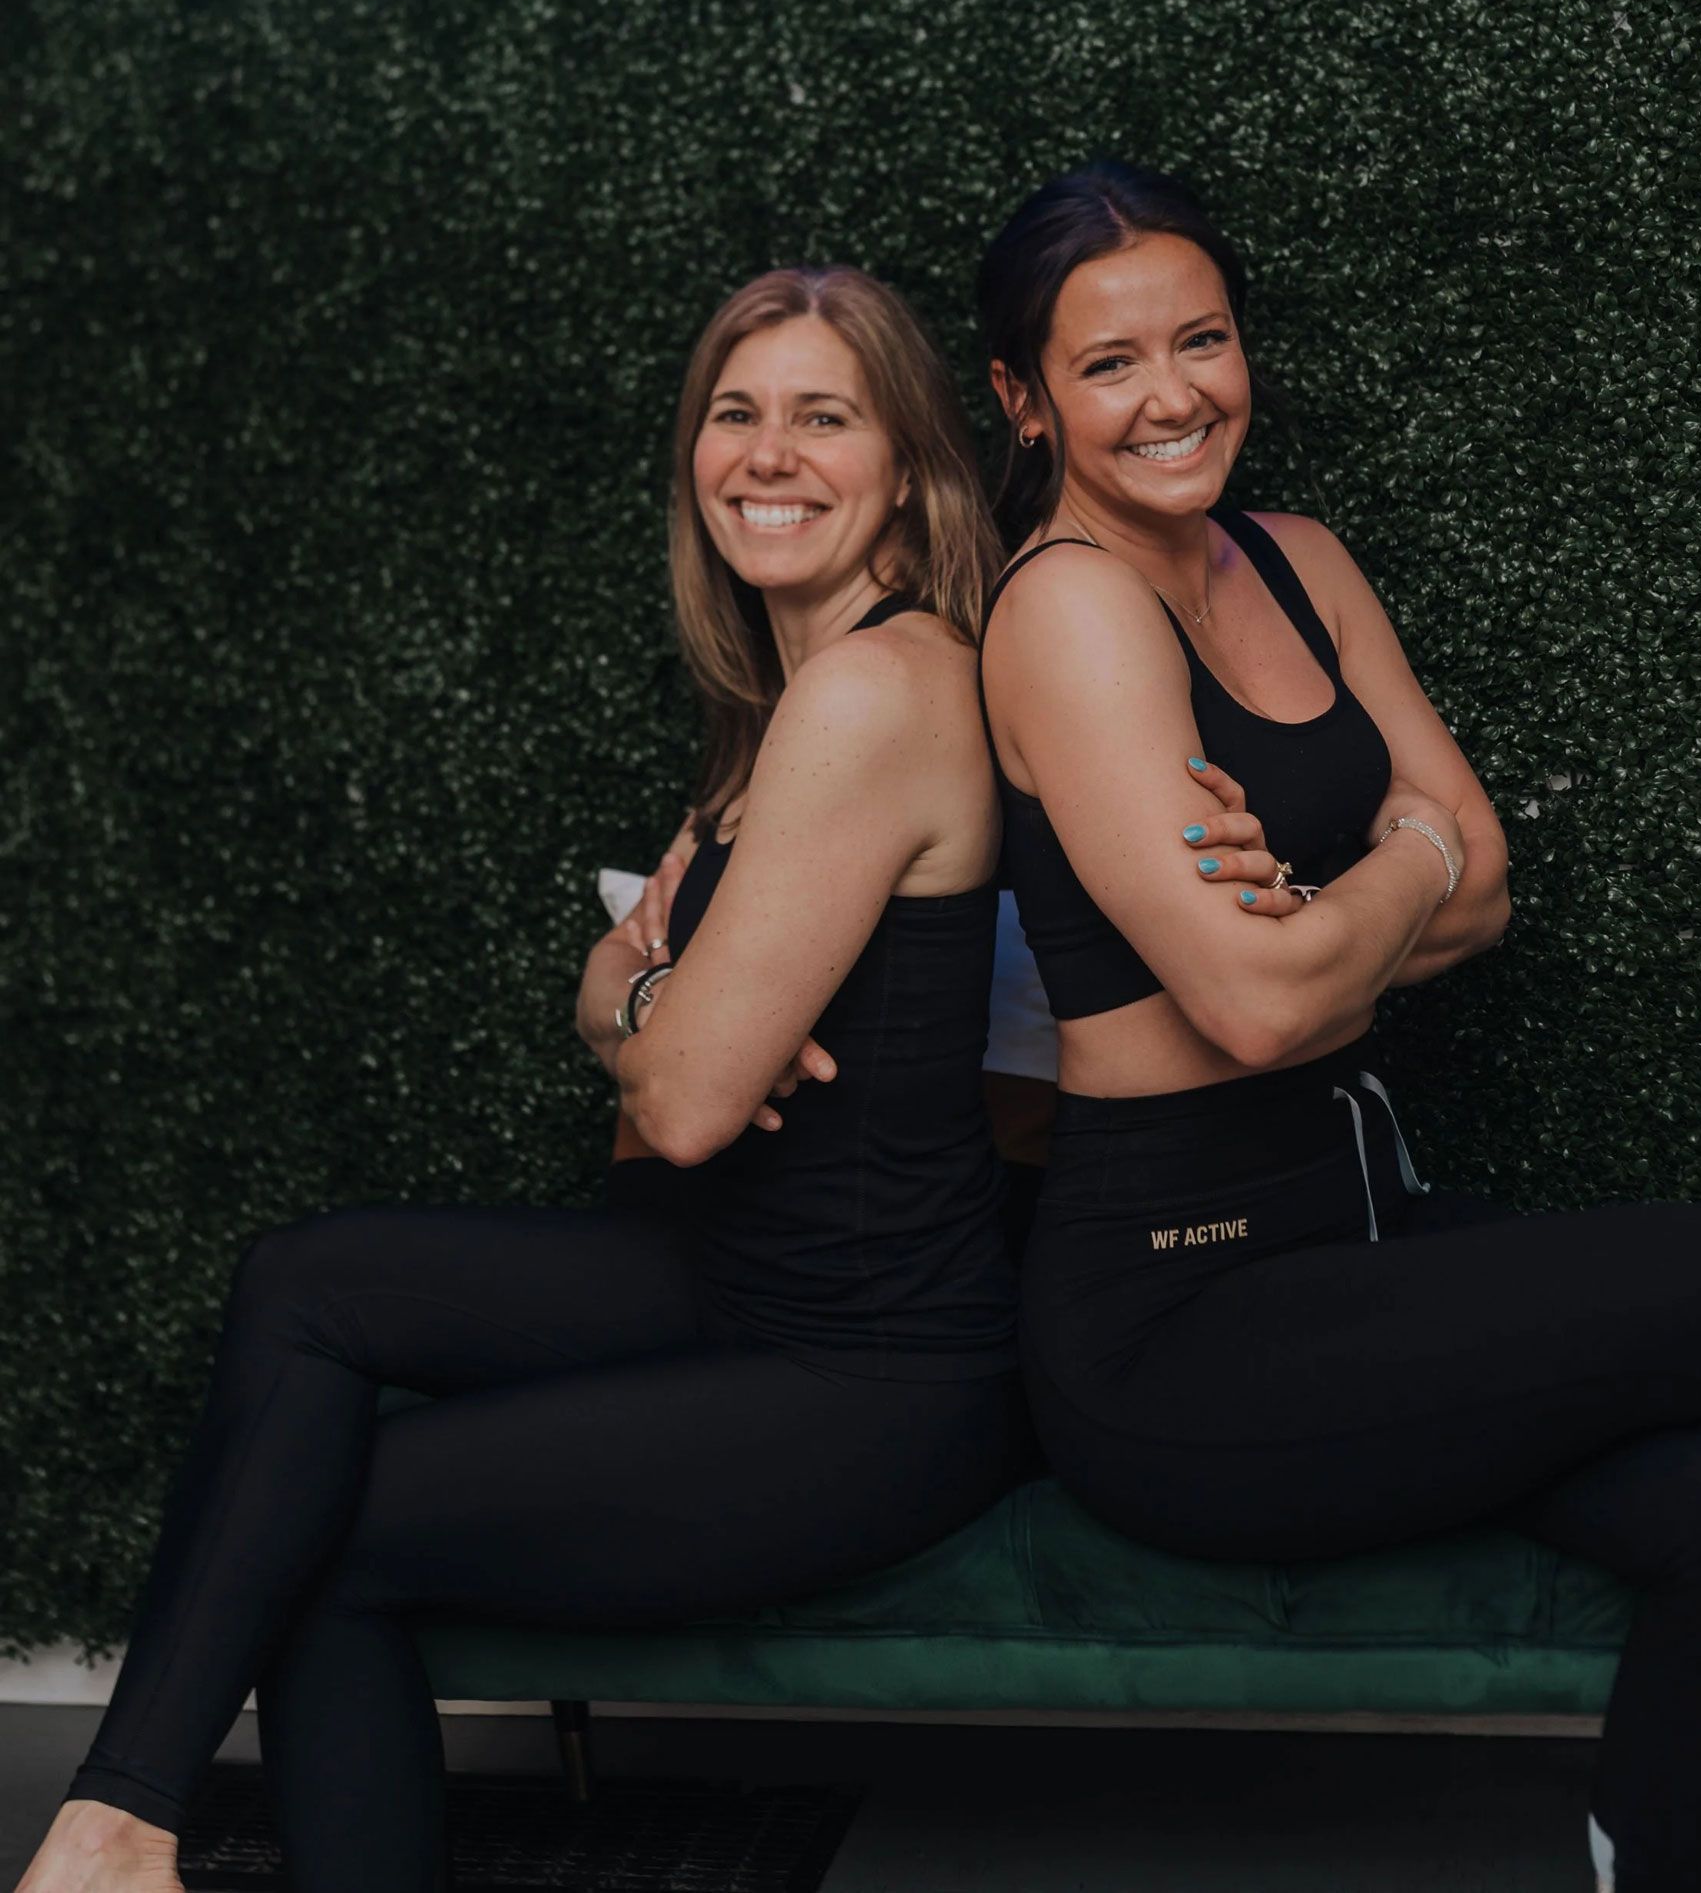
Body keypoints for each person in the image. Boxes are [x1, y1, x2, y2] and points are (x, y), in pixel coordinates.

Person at [973, 160, 1701, 1893]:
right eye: (1110, 363)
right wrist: (1398, 852)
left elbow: (1488, 888)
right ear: (1024, 399)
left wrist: (1356, 901)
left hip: (1358, 1231)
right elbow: (1270, 1000)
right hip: (1177, 1322)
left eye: (1205, 338)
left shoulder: (1296, 558)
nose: (1175, 391)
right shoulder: (1066, 610)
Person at [23, 265, 1026, 1893]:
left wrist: (662, 1019)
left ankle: (117, 1828)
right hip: (734, 1273)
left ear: (908, 465)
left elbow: (688, 1105)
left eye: (822, 418)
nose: (767, 454)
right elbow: (625, 999)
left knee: (331, 1541)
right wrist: (644, 1001)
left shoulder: (876, 688)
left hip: (872, 1369)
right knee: (307, 1278)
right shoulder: (786, 695)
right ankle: (123, 1820)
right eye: (735, 412)